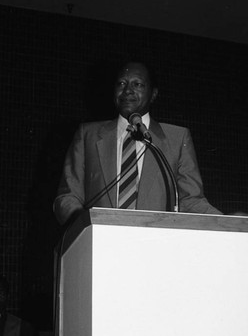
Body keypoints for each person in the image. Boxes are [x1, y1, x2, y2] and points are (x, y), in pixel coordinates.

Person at [53, 60, 221, 225]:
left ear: (153, 94)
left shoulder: (177, 139)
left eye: (138, 84)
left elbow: (191, 201)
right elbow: (68, 197)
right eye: (121, 83)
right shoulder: (88, 135)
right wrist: (84, 225)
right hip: (100, 246)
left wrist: (231, 222)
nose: (127, 91)